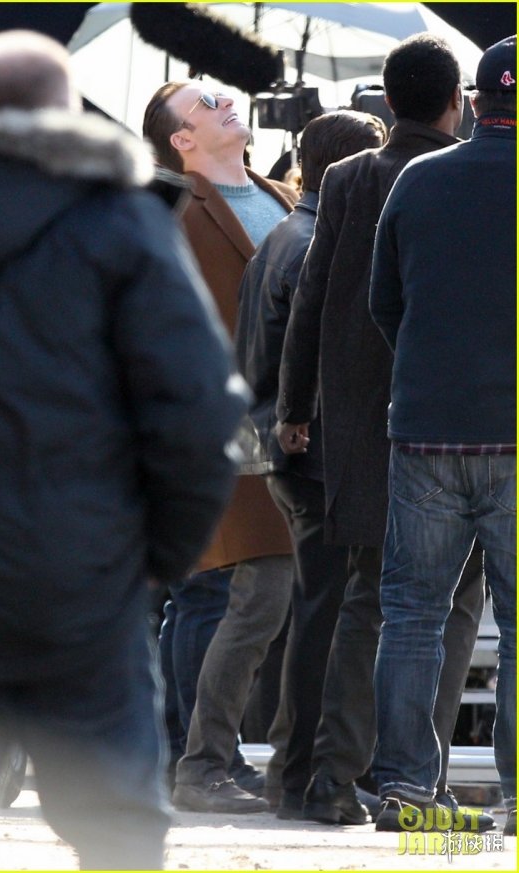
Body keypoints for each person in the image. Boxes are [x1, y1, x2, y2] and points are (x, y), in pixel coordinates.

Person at [0, 31, 248, 870]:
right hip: (79, 566)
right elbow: (196, 407)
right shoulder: (119, 221)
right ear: (66, 111)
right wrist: (158, 553)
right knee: (116, 824)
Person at [276, 34, 492, 829]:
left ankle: (334, 780)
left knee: (370, 603)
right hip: (464, 420)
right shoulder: (471, 176)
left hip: (365, 422)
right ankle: (419, 788)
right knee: (453, 609)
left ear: (390, 101)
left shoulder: (349, 178)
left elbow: (314, 299)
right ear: (457, 100)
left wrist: (294, 408)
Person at [369, 35, 516, 835]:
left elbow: (384, 302)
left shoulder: (420, 178)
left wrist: (432, 372)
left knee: (413, 615)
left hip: (428, 428)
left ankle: (404, 788)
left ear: (476, 100)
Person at [143, 82, 297, 814]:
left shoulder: (284, 197)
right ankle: (198, 759)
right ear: (181, 139)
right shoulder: (169, 204)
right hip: (209, 416)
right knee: (211, 585)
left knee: (241, 589)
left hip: (291, 419)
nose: (226, 101)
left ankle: (197, 756)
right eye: (205, 103)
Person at [235, 110, 387, 814]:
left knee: (313, 613)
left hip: (283, 443)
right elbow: (318, 353)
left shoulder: (284, 234)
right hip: (314, 447)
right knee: (326, 618)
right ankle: (301, 774)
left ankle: (294, 773)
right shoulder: (313, 242)